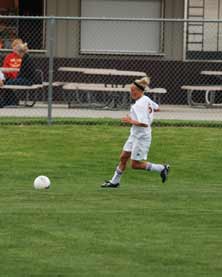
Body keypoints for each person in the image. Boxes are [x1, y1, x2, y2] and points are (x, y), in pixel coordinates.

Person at [101, 76, 170, 188]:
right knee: (123, 157)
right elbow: (157, 108)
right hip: (134, 134)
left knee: (135, 164)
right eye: (131, 90)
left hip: (142, 137)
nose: (131, 93)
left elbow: (144, 123)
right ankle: (115, 182)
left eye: (133, 91)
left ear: (139, 91)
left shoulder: (139, 105)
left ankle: (162, 168)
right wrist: (140, 115)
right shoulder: (146, 99)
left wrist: (130, 120)